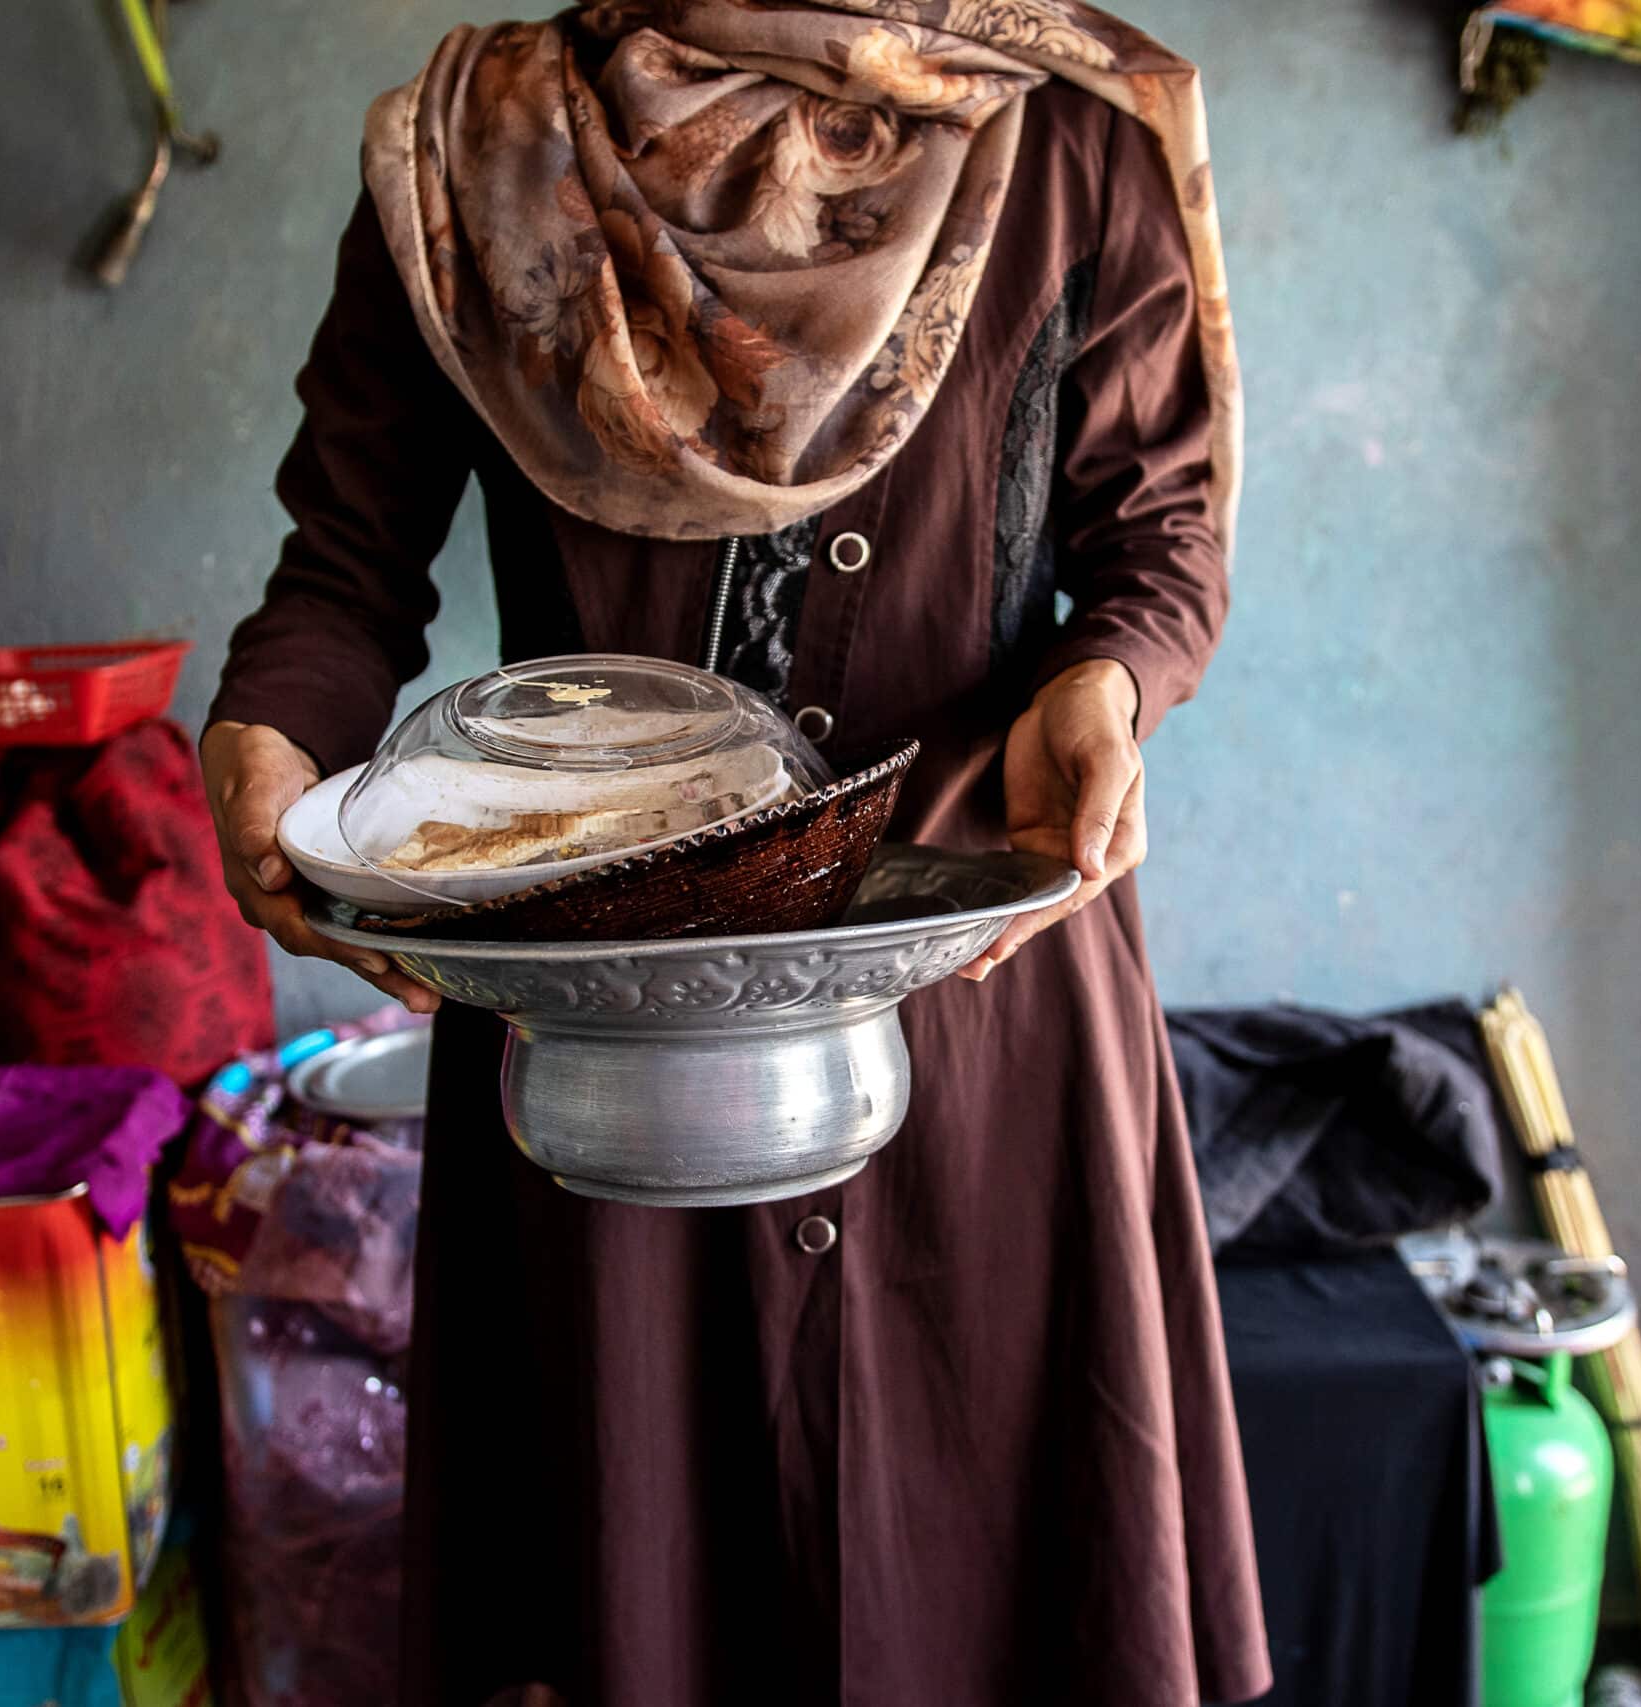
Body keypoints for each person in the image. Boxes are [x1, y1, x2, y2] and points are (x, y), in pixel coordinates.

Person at [200, 4, 1265, 1703]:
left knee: (1004, 1590)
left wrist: (1106, 685)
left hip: (978, 998)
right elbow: (342, 569)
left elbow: (1159, 539)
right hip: (607, 1033)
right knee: (648, 1608)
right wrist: (268, 740)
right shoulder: (475, 162)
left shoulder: (1065, 142)